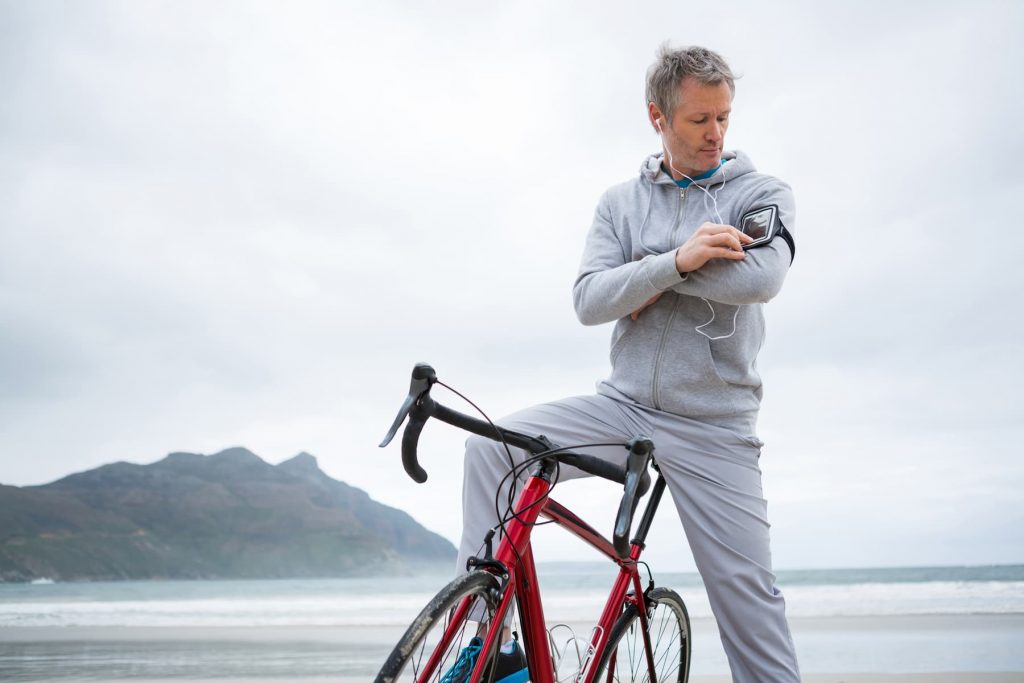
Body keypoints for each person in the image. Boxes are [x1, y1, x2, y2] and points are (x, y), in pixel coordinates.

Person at [456, 44, 800, 682]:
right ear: (658, 118)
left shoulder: (761, 192)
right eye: (699, 120)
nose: (715, 133)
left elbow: (759, 278)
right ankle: (490, 642)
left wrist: (643, 279)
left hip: (715, 430)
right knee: (491, 450)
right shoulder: (619, 204)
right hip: (623, 408)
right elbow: (590, 299)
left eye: (723, 116)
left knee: (751, 609)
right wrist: (677, 260)